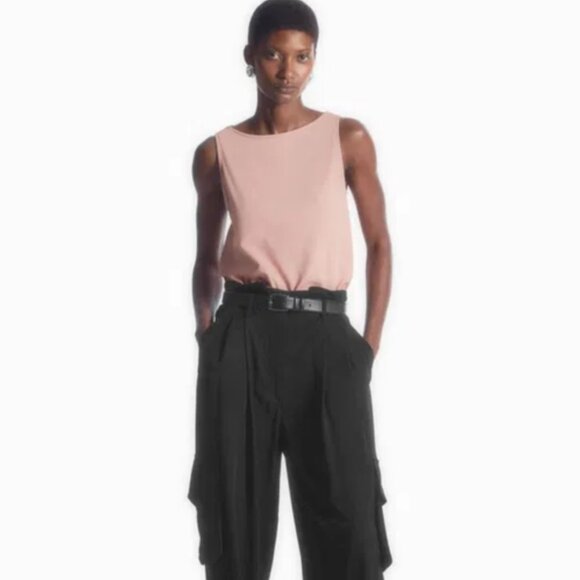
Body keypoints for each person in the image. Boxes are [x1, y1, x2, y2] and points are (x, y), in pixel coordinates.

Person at [187, 0, 393, 578]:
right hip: (242, 336)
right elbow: (206, 256)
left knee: (346, 514)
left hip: (327, 337)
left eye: (302, 57)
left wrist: (366, 347)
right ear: (250, 57)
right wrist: (208, 336)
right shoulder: (217, 152)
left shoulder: (346, 137)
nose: (288, 70)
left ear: (314, 60)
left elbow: (380, 243)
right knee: (234, 513)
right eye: (274, 55)